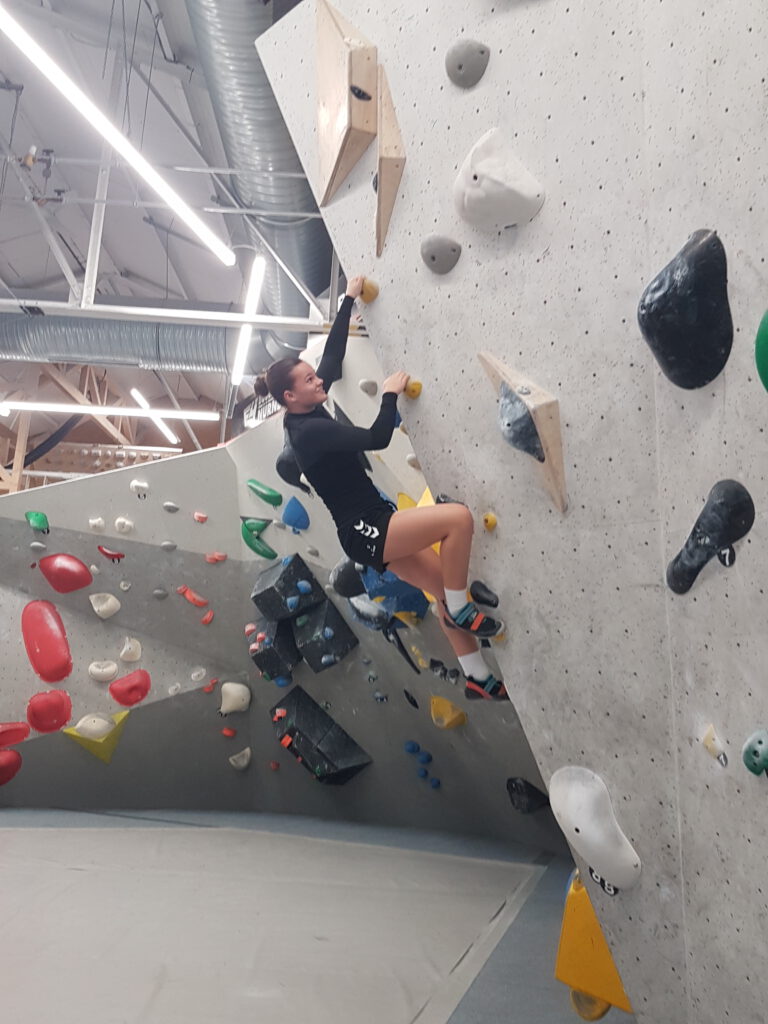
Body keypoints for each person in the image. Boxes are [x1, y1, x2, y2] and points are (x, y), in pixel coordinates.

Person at [253, 275, 508, 701]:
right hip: (365, 531)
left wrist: (348, 300)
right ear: (289, 396)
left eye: (314, 377)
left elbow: (332, 358)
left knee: (440, 593)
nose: (319, 381)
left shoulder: (306, 407)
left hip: (375, 521)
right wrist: (389, 396)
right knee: (459, 520)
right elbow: (376, 439)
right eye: (309, 381)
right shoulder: (306, 433)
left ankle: (478, 678)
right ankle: (464, 610)